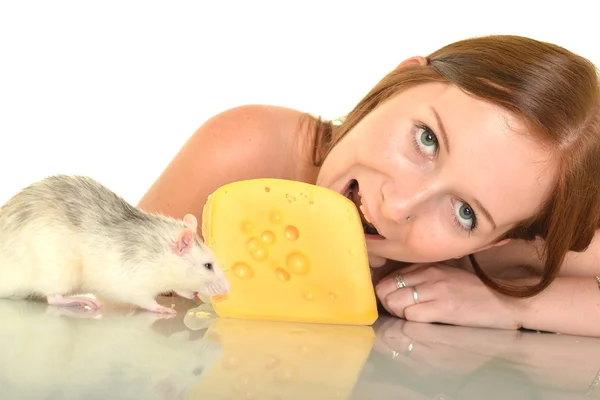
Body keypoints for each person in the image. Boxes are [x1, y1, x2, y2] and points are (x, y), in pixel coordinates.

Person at [138, 34, 600, 337]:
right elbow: (110, 306)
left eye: (465, 213)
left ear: (496, 238)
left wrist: (505, 305)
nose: (399, 206)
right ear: (395, 81)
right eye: (427, 140)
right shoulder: (246, 151)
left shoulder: (502, 250)